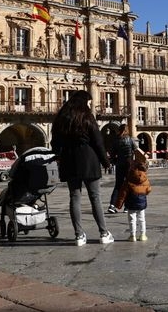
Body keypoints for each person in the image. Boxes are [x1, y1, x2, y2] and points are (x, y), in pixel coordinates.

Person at [50, 90, 114, 246]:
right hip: (88, 159)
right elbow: (98, 142)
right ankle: (104, 233)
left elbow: (55, 143)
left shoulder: (62, 119)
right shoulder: (87, 117)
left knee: (74, 197)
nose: (90, 105)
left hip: (69, 160)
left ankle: (79, 235)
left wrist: (58, 155)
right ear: (84, 102)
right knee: (95, 197)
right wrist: (105, 161)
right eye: (89, 102)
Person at [114, 149, 152, 242]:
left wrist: (118, 205)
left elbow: (123, 193)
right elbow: (149, 189)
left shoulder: (128, 179)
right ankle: (143, 235)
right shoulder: (145, 178)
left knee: (132, 219)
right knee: (142, 219)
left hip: (131, 201)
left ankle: (133, 236)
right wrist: (143, 193)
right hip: (142, 201)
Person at [107, 123, 136, 214]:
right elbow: (136, 150)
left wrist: (115, 160)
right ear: (127, 130)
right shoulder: (131, 140)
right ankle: (127, 206)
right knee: (129, 185)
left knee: (118, 185)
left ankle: (112, 205)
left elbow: (112, 154)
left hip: (120, 164)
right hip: (129, 164)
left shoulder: (116, 141)